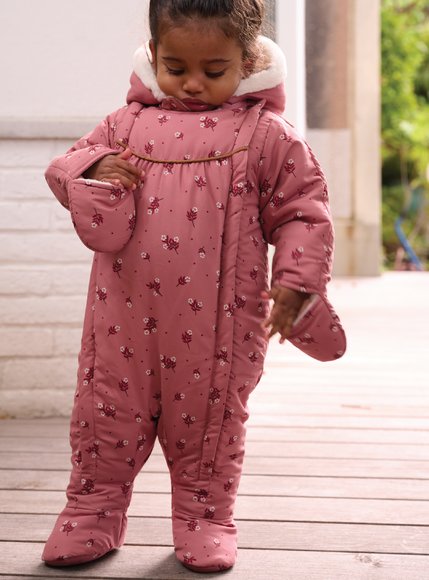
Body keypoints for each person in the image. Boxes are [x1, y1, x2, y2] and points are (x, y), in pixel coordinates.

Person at [41, 0, 346, 573]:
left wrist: (297, 283)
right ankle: (91, 510)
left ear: (247, 59)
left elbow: (305, 211)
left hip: (219, 326)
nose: (192, 85)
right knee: (107, 409)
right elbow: (65, 165)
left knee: (209, 422)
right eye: (176, 67)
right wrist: (94, 167)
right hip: (120, 317)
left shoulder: (266, 136)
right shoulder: (124, 124)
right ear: (153, 55)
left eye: (214, 70)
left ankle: (205, 516)